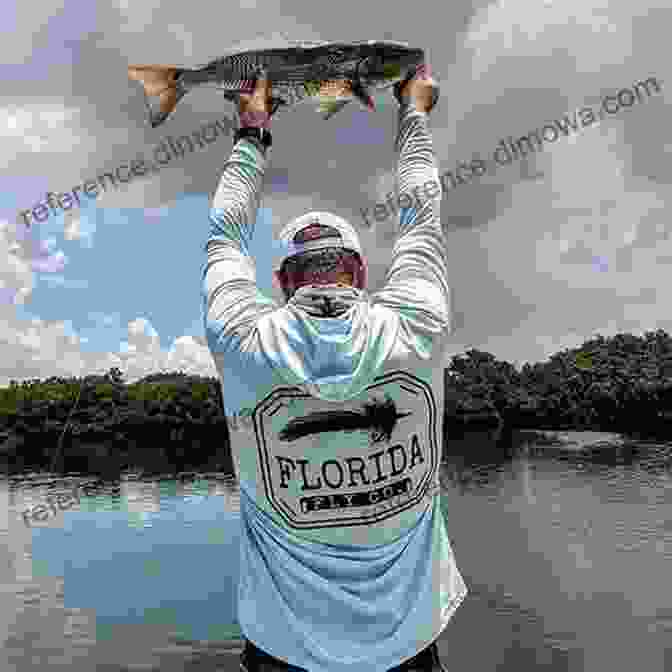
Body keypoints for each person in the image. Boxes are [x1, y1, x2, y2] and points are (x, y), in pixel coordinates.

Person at [203, 61, 467, 672]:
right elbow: (421, 211)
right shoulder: (416, 326)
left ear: (278, 282)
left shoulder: (243, 339)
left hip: (284, 652)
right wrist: (415, 111)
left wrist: (251, 134)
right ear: (360, 272)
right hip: (409, 649)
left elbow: (223, 235)